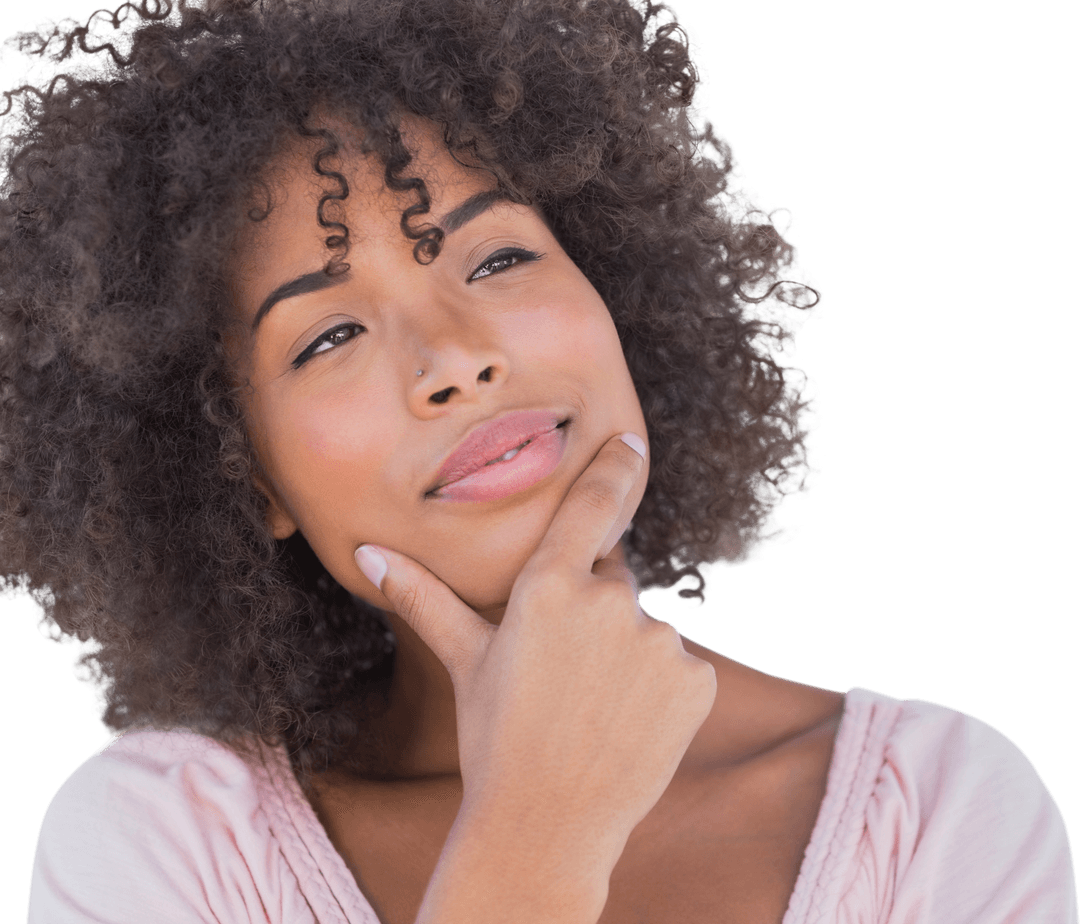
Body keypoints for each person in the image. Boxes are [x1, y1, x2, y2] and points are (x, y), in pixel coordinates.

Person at [2, 0, 1074, 921]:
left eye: (500, 256)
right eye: (328, 336)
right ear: (247, 478)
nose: (459, 361)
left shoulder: (937, 803)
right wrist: (535, 829)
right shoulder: (160, 842)